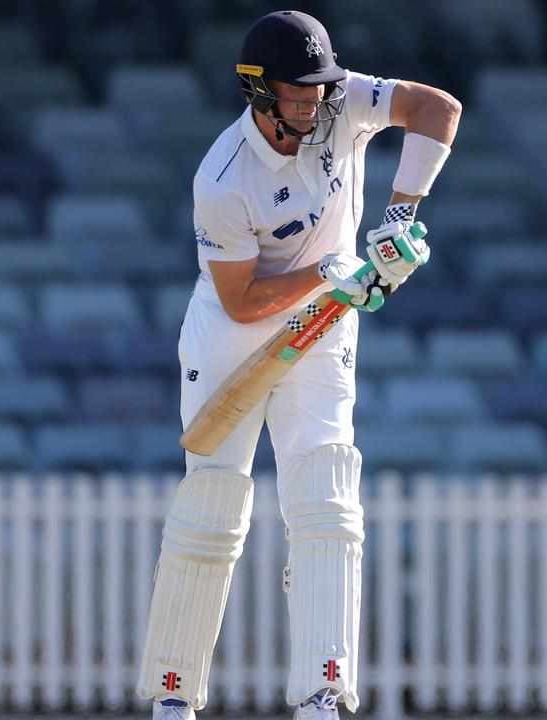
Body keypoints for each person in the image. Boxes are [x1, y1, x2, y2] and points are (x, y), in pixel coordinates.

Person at [135, 9, 461, 720]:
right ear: (258, 93)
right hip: (232, 334)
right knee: (213, 507)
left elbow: (435, 108)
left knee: (327, 496)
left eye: (319, 89)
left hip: (327, 325)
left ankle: (322, 691)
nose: (314, 105)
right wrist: (335, 271)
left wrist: (400, 219)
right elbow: (244, 299)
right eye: (296, 93)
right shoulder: (224, 178)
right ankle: (174, 696)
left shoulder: (342, 104)